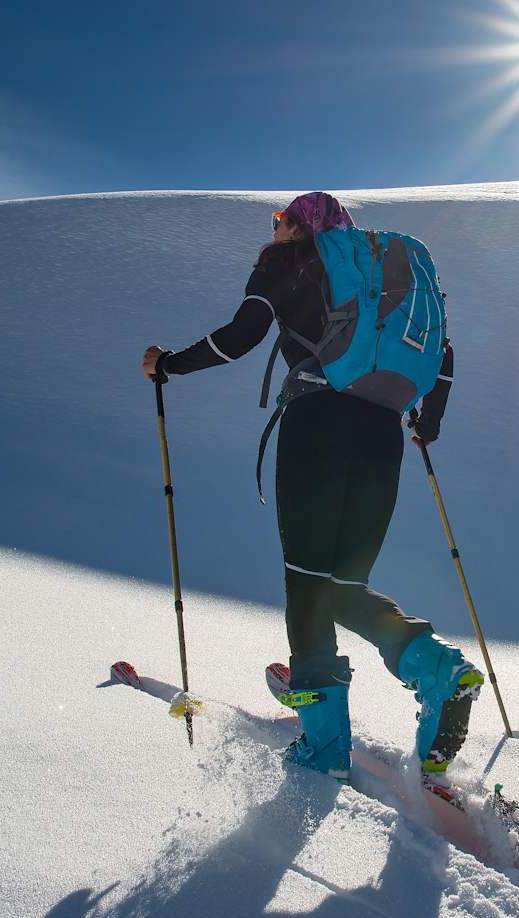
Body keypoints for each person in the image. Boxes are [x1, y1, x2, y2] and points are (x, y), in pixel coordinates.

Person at [141, 192, 482, 782]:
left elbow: (240, 336)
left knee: (306, 583)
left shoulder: (287, 262)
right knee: (344, 585)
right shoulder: (384, 281)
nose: (275, 230)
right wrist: (428, 424)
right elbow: (444, 355)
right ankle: (438, 671)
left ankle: (324, 745)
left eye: (281, 221)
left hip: (315, 425)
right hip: (382, 435)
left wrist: (168, 364)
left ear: (301, 226)